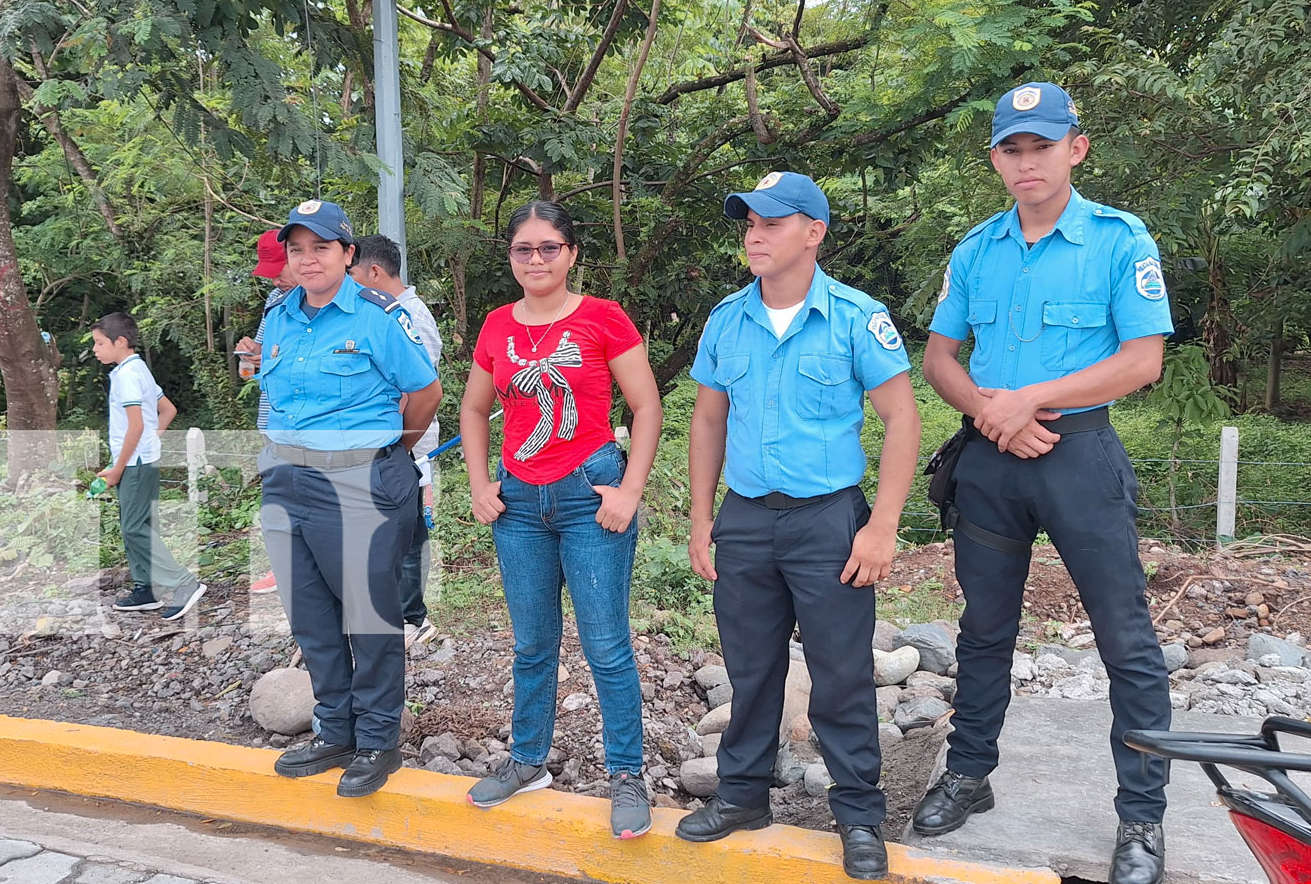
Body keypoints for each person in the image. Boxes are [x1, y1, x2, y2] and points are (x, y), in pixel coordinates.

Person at [916, 83, 1173, 884]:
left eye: (1041, 146)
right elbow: (938, 359)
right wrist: (996, 416)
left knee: (1124, 637)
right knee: (984, 628)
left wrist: (1032, 399)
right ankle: (968, 774)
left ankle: (1142, 817)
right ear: (996, 158)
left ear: (1076, 148)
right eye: (1011, 149)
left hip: (1080, 459)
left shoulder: (1118, 241)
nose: (1026, 162)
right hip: (992, 461)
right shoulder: (977, 249)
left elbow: (1142, 360)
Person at [678, 172, 921, 881]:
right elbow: (708, 420)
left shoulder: (854, 316)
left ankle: (858, 817)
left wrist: (882, 527)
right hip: (747, 517)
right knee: (751, 669)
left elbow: (902, 418)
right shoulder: (727, 319)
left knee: (842, 674)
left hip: (828, 522)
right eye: (748, 223)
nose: (754, 234)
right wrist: (701, 520)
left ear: (812, 232)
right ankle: (745, 796)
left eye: (772, 223)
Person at [459, 201, 663, 840]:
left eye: (549, 248)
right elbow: (471, 410)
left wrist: (630, 490)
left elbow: (646, 404)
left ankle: (627, 774)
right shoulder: (497, 324)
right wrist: (478, 483)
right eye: (524, 249)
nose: (537, 260)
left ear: (571, 253)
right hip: (519, 502)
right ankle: (527, 760)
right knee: (531, 644)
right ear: (512, 257)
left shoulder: (602, 317)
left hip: (588, 496)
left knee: (606, 646)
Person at [259, 199, 441, 799]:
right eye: (297, 249)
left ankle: (378, 741)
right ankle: (334, 729)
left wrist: (387, 453)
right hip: (288, 482)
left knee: (368, 619)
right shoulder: (278, 317)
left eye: (321, 248)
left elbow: (424, 393)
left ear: (348, 255)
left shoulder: (376, 318)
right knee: (312, 619)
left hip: (360, 483)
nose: (307, 260)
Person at [350, 233, 442, 649]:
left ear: (373, 271)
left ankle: (412, 617)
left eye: (351, 272)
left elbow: (415, 386)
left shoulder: (409, 316)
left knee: (410, 530)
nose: (348, 281)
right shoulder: (375, 312)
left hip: (410, 441)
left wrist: (398, 447)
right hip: (386, 445)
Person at [90, 312, 204, 621]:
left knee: (133, 527)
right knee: (138, 524)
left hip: (135, 463)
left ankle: (184, 583)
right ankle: (146, 589)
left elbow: (136, 426)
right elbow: (168, 410)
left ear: (120, 342)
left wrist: (117, 468)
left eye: (100, 343)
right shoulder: (137, 368)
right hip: (142, 458)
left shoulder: (128, 375)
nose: (96, 350)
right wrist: (150, 443)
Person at [233, 229, 298, 596]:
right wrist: (252, 350)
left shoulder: (319, 302)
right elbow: (264, 349)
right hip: (271, 416)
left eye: (279, 268)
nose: (275, 278)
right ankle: (281, 564)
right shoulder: (275, 299)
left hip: (305, 424)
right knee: (276, 497)